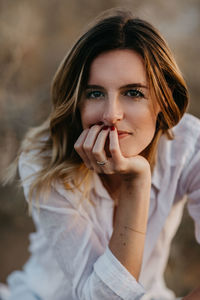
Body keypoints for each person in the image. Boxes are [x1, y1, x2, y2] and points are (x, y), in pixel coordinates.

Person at [1, 8, 200, 300]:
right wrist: (137, 182)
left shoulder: (188, 146)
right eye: (94, 93)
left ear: (162, 100)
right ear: (77, 102)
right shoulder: (44, 156)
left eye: (133, 93)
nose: (111, 114)